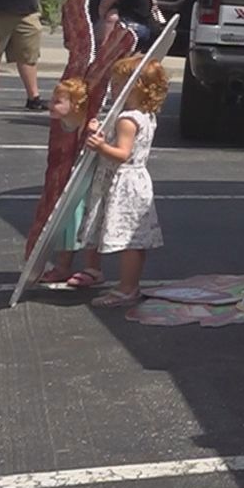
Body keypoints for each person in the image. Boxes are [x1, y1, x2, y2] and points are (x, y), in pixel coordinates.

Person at [79, 56, 167, 307]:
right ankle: (129, 285)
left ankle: (128, 288)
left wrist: (101, 146)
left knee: (129, 239)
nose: (113, 88)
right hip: (138, 180)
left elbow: (122, 154)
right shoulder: (145, 115)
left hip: (124, 182)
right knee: (134, 239)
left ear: (136, 85)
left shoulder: (127, 119)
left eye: (118, 83)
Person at [34, 78, 105, 288]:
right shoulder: (63, 124)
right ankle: (63, 266)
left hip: (87, 183)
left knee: (88, 224)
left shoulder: (88, 122)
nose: (50, 104)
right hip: (68, 181)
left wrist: (94, 132)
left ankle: (93, 268)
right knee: (65, 224)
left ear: (75, 105)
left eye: (57, 101)